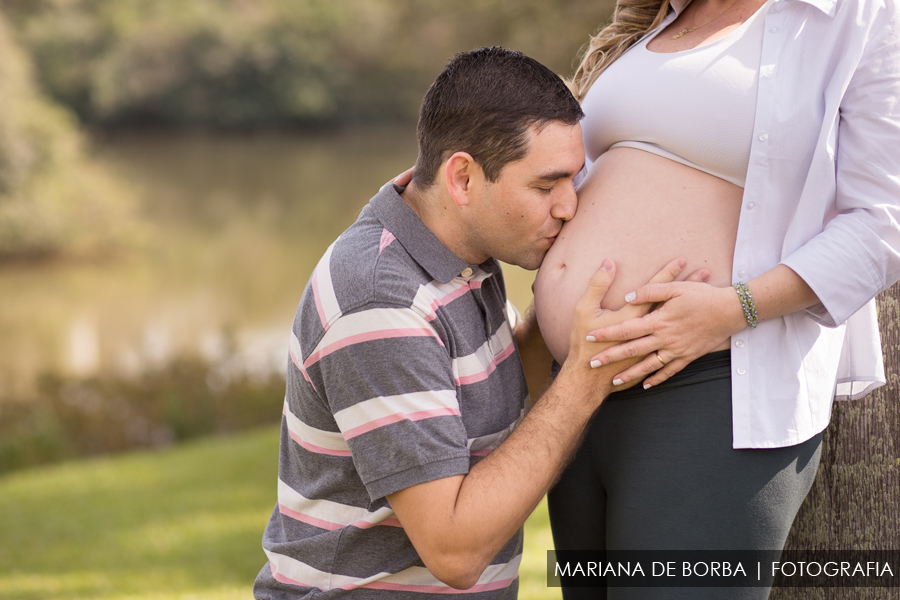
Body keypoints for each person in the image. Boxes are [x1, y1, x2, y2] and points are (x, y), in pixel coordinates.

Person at [253, 46, 709, 599]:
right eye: (546, 186)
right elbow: (455, 550)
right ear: (463, 179)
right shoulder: (381, 303)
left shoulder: (461, 252)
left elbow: (489, 399)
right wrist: (582, 382)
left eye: (575, 179)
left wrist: (570, 314)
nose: (569, 205)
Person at [532, 0, 900, 597]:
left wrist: (735, 308)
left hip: (714, 386)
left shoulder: (861, 16)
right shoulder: (657, 21)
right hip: (578, 392)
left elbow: (884, 224)